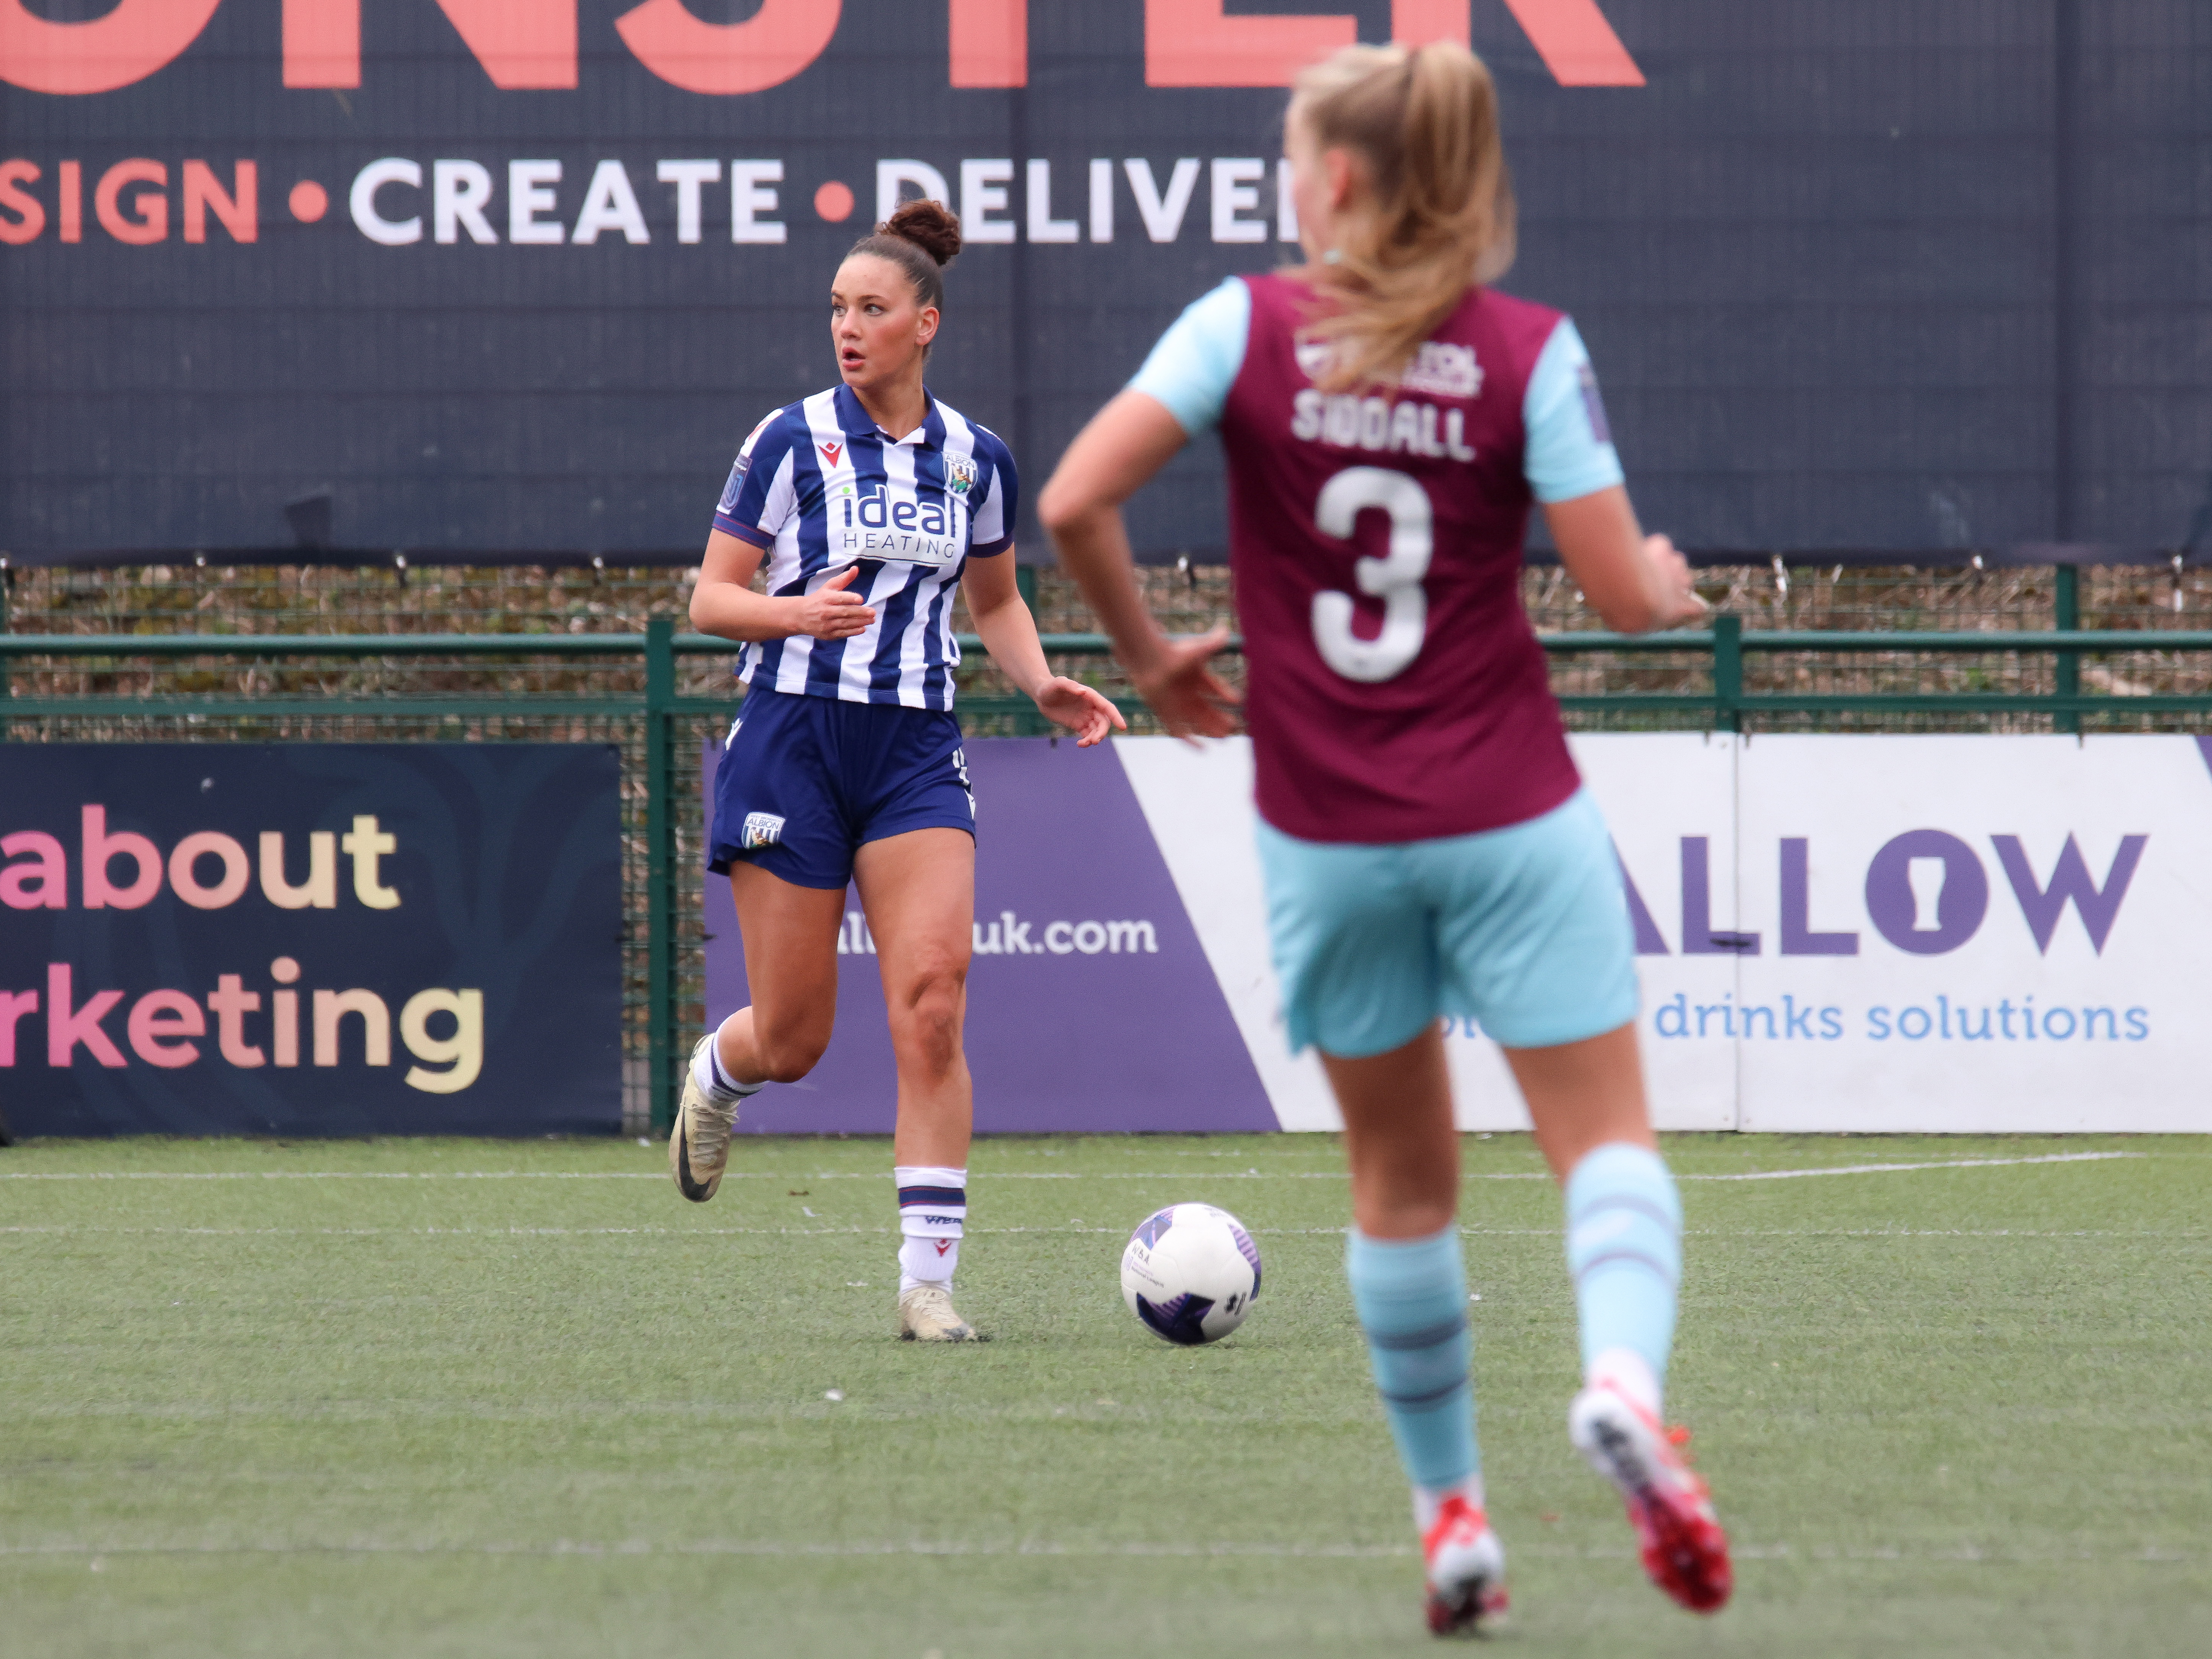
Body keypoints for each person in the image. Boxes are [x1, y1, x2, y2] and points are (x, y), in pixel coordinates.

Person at [1040, 41, 1731, 1634]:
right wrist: (1672, 580)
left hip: (1325, 829)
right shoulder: (1524, 349)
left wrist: (1149, 658)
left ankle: (1452, 1525)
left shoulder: (1245, 325)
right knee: (1605, 1145)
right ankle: (1622, 1383)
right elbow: (1625, 598)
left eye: (1294, 160)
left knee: (1399, 1188)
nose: (1288, 185)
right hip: (1509, 808)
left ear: (1338, 179)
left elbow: (1077, 499)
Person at [676, 199, 1124, 1343]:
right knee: (796, 1041)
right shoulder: (787, 441)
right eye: (837, 309)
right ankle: (722, 1074)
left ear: (926, 323)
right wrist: (791, 614)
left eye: (871, 309)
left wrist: (1042, 684)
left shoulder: (977, 459)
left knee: (931, 1006)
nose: (849, 327)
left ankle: (926, 1286)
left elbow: (996, 597)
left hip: (915, 752)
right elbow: (710, 598)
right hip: (792, 740)